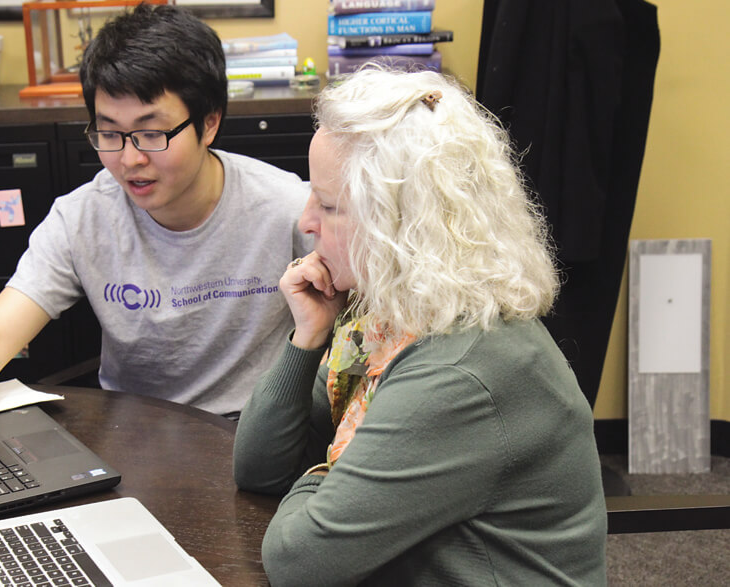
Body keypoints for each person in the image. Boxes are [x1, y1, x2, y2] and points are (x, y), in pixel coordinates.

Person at [0, 4, 310, 469]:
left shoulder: (288, 209)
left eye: (151, 134)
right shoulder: (82, 217)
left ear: (209, 122)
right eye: (109, 134)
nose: (129, 161)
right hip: (133, 442)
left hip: (249, 443)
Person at [233, 67, 607, 586]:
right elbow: (258, 470)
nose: (305, 221)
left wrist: (331, 473)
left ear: (399, 222)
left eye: (330, 205)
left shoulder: (460, 372)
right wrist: (307, 339)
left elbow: (300, 563)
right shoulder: (390, 317)